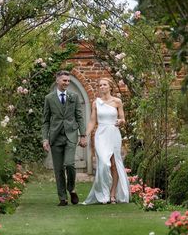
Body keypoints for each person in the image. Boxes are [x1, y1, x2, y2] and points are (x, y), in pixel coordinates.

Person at [41, 70, 87, 206]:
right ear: (57, 81)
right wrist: (45, 138)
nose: (67, 83)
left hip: (71, 135)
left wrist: (83, 135)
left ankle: (71, 188)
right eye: (64, 80)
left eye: (68, 81)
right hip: (55, 137)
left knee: (69, 164)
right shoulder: (49, 98)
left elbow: (79, 116)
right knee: (58, 169)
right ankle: (62, 197)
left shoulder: (74, 96)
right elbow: (46, 121)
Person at [83, 78, 130, 204]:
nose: (102, 87)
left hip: (113, 134)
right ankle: (103, 193)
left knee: (114, 165)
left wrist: (120, 121)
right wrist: (85, 135)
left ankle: (112, 194)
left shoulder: (117, 101)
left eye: (104, 85)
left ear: (110, 87)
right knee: (103, 163)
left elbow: (123, 119)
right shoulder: (96, 103)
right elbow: (93, 121)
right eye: (100, 85)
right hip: (101, 135)